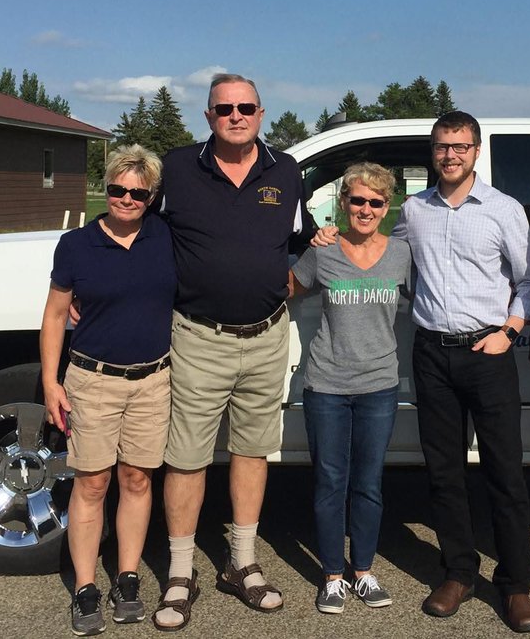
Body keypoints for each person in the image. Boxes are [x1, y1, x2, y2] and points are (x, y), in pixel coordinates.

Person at [151, 73, 318, 629]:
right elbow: (138, 232)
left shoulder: (286, 170)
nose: (236, 116)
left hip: (267, 335)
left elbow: (303, 240)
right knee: (188, 455)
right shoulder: (176, 168)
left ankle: (241, 563)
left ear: (261, 112)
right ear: (209, 117)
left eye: (245, 107)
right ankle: (180, 572)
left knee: (252, 451)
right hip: (199, 337)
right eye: (225, 109)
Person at [391, 110, 530, 633]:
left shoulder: (502, 211)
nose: (450, 155)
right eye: (441, 147)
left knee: (505, 473)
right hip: (432, 353)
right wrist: (328, 240)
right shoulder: (414, 210)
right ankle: (458, 572)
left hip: (489, 353)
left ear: (476, 150)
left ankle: (516, 584)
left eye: (459, 146)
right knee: (444, 473)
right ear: (432, 153)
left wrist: (510, 331)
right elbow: (382, 254)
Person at [40, 144, 175, 636]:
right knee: (92, 483)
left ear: (151, 196)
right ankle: (84, 586)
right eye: (117, 189)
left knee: (137, 480)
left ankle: (128, 576)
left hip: (153, 380)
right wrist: (51, 382)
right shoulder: (76, 245)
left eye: (138, 192)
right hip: (92, 381)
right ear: (106, 188)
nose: (126, 199)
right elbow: (55, 315)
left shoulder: (165, 237)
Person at [289, 162, 412, 614]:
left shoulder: (401, 254)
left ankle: (363, 571)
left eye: (375, 202)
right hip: (326, 382)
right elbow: (285, 289)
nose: (365, 209)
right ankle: (332, 576)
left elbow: (433, 297)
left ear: (387, 206)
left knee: (368, 483)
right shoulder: (323, 251)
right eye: (356, 200)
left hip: (380, 384)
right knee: (329, 481)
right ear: (342, 203)